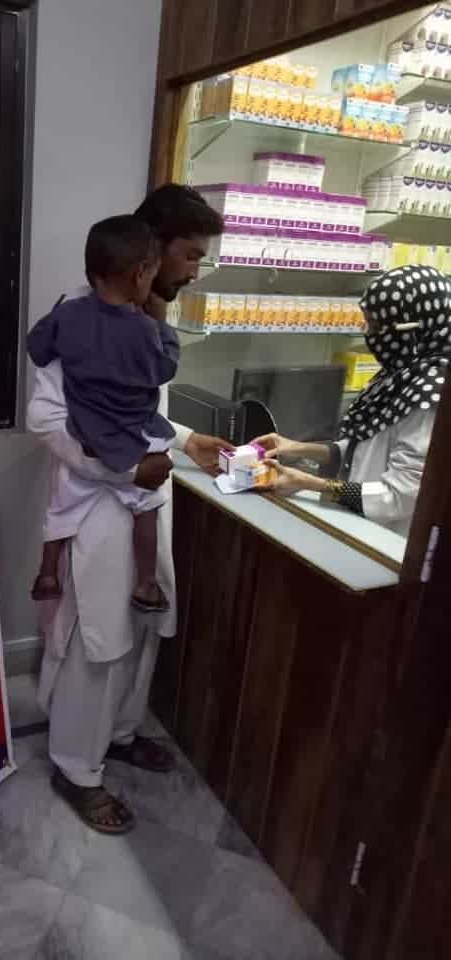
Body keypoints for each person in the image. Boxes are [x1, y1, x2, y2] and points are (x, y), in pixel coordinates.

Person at [27, 184, 231, 834]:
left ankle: (116, 735)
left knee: (141, 627)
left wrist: (185, 441)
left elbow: (138, 412)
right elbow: (46, 419)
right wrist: (123, 468)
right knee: (96, 641)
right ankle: (74, 768)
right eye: (189, 255)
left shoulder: (148, 321)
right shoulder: (78, 318)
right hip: (98, 507)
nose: (195, 270)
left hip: (144, 498)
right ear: (151, 254)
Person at [28, 215, 179, 614]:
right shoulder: (146, 330)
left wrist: (56, 328)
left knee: (62, 506)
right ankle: (146, 584)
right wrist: (163, 329)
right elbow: (164, 369)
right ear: (141, 273)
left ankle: (47, 573)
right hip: (132, 443)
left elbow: (38, 348)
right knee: (147, 507)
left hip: (85, 435)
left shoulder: (68, 314)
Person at [254, 265, 451, 536]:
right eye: (367, 322)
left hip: (384, 542)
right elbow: (365, 447)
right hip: (357, 525)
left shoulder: (432, 396)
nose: (370, 334)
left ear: (416, 328)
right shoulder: (402, 373)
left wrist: (311, 484)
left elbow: (398, 498)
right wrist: (297, 448)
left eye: (378, 326)